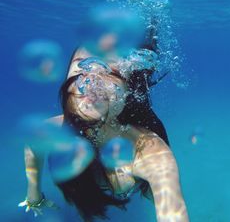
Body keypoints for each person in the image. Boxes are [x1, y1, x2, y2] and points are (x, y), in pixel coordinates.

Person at [19, 26, 189, 222]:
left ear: (130, 89)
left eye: (110, 71)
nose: (91, 82)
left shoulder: (149, 151)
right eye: (81, 66)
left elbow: (171, 208)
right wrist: (34, 197)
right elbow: (32, 146)